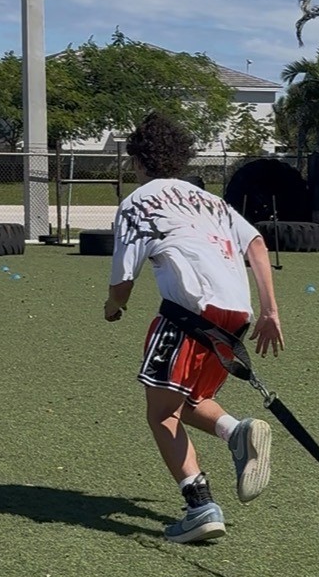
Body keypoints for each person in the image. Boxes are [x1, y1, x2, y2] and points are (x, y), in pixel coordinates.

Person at [104, 112, 284, 543]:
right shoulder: (212, 201)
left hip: (187, 314)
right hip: (235, 316)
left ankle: (200, 506)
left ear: (138, 160)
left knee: (161, 412)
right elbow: (256, 242)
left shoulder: (137, 201)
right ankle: (235, 432)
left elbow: (123, 282)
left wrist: (113, 307)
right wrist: (270, 310)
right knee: (188, 398)